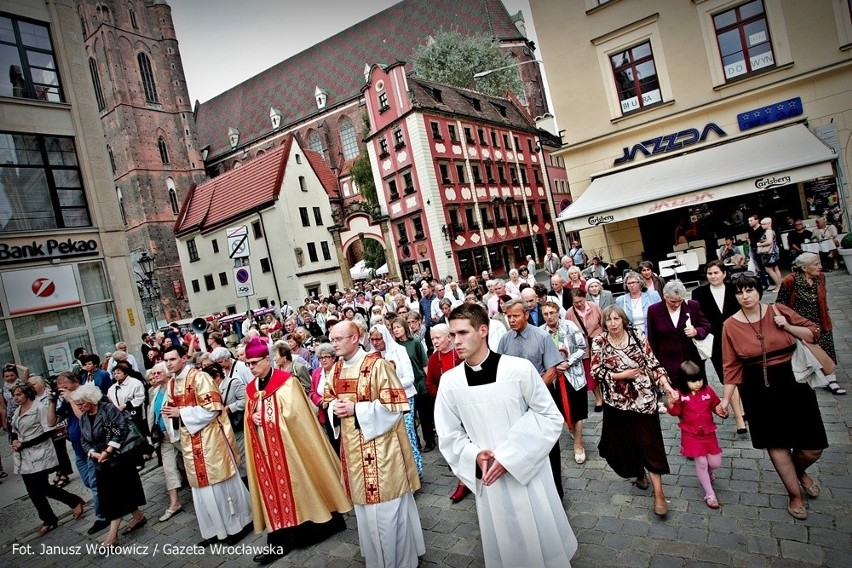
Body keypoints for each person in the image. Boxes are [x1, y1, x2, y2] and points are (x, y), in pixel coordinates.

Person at [434, 303, 577, 568]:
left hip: (529, 472)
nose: (456, 341)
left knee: (543, 544)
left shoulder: (518, 369)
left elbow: (549, 416)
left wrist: (510, 457)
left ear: (484, 330)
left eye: (463, 333)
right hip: (489, 478)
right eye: (452, 335)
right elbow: (448, 433)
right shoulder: (450, 382)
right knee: (507, 547)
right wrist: (474, 455)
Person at [719, 272, 827, 520]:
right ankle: (794, 495)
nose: (745, 296)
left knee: (813, 447)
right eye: (739, 292)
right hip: (758, 390)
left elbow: (814, 332)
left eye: (750, 290)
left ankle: (799, 470)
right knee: (777, 444)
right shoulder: (730, 326)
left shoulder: (778, 310)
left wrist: (787, 326)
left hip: (794, 382)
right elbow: (731, 367)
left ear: (759, 290)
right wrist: (725, 401)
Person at [324, 320, 425, 568]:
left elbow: (395, 406)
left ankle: (399, 562)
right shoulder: (335, 370)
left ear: (355, 337)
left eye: (338, 338)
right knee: (365, 511)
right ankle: (378, 560)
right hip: (354, 452)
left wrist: (356, 409)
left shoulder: (378, 365)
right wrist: (332, 408)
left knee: (388, 511)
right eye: (332, 338)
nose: (333, 343)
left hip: (382, 451)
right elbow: (327, 398)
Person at [243, 337, 351, 565]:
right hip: (266, 452)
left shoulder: (286, 382)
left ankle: (318, 527)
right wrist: (252, 419)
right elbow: (248, 417)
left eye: (254, 363)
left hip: (291, 449)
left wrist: (264, 418)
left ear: (266, 359)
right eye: (248, 364)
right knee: (274, 493)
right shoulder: (251, 388)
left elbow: (296, 417)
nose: (251, 367)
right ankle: (279, 540)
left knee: (301, 485)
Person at [161, 345, 253, 547]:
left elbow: (213, 408)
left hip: (210, 440)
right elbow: (170, 411)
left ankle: (240, 524)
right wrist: (172, 416)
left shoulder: (200, 378)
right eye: (166, 360)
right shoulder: (170, 384)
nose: (169, 363)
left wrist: (181, 413)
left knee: (221, 485)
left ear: (184, 358)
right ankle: (214, 530)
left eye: (173, 359)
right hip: (189, 441)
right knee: (201, 491)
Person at [591, 305, 678, 517]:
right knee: (623, 444)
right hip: (616, 403)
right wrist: (623, 375)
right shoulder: (599, 341)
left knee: (651, 444)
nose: (612, 323)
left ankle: (659, 493)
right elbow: (596, 371)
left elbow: (653, 363)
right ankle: (638, 472)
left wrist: (667, 386)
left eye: (616, 319)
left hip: (643, 400)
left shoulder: (637, 335)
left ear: (623, 320)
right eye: (608, 320)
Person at [496, 298, 564, 499]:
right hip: (514, 401)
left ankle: (556, 491)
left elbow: (552, 371)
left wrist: (532, 394)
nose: (512, 320)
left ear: (526, 315)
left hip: (541, 398)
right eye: (509, 316)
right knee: (522, 444)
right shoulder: (505, 340)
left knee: (548, 445)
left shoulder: (542, 337)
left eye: (516, 315)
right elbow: (500, 369)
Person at [70, 383, 146, 547]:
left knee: (114, 497)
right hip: (100, 462)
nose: (79, 407)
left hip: (118, 459)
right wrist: (92, 453)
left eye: (81, 403)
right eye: (77, 404)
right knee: (118, 494)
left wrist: (108, 450)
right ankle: (138, 516)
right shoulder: (83, 417)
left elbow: (121, 429)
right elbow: (83, 439)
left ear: (91, 400)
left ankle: (112, 536)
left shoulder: (107, 409)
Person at [10, 383, 84, 538]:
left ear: (28, 394)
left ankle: (72, 502)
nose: (15, 398)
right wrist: (15, 440)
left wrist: (25, 444)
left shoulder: (39, 408)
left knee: (41, 487)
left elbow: (48, 431)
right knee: (33, 491)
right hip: (24, 456)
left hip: (39, 452)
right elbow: (14, 429)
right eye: (14, 395)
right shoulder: (18, 411)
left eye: (18, 395)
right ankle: (49, 518)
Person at [776, 253, 845, 395]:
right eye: (816, 264)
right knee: (810, 350)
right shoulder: (790, 281)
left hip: (821, 320)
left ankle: (832, 380)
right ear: (804, 268)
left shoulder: (820, 278)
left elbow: (823, 298)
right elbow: (780, 304)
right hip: (801, 324)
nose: (820, 266)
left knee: (827, 349)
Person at [691, 261, 747, 432]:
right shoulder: (699, 293)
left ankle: (745, 409)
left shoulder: (734, 289)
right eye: (710, 274)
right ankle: (740, 414)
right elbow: (697, 318)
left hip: (738, 337)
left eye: (716, 273)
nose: (713, 276)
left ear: (724, 273)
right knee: (726, 376)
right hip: (715, 341)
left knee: (744, 374)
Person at [55, 371, 110, 535]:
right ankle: (111, 503)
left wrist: (70, 399)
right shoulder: (67, 399)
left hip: (93, 448)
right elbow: (54, 420)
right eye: (59, 388)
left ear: (75, 382)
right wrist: (53, 401)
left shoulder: (85, 395)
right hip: (79, 449)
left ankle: (102, 516)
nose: (62, 390)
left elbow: (83, 418)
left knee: (94, 484)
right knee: (89, 482)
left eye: (65, 386)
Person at [667, 361, 725, 509]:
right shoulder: (680, 394)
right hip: (691, 434)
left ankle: (709, 473)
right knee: (701, 462)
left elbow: (715, 405)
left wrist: (721, 410)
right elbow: (675, 412)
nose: (698, 383)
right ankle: (709, 494)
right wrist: (671, 404)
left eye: (699, 379)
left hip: (708, 433)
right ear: (684, 381)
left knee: (715, 463)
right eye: (693, 381)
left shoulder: (708, 391)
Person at [369, 323, 421, 477]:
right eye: (372, 339)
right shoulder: (370, 356)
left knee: (408, 434)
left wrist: (390, 386)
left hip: (404, 397)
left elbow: (409, 378)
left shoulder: (399, 350)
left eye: (378, 339)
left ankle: (416, 472)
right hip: (383, 403)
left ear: (385, 337)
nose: (375, 342)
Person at [541, 300, 588, 464]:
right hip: (554, 380)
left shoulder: (569, 326)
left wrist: (568, 362)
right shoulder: (541, 332)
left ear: (557, 312)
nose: (549, 317)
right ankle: (571, 428)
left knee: (578, 412)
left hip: (573, 376)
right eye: (545, 314)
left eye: (551, 313)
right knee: (561, 410)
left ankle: (578, 445)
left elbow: (582, 348)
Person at [425, 323, 467, 501]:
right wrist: (443, 398)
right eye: (432, 338)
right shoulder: (434, 359)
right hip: (446, 408)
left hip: (466, 405)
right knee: (454, 443)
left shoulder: (460, 354)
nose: (434, 341)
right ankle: (462, 481)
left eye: (438, 338)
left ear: (449, 337)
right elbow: (430, 384)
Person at [646, 280, 713, 385]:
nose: (677, 304)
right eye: (672, 301)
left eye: (680, 301)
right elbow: (652, 338)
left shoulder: (692, 305)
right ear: (665, 296)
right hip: (668, 361)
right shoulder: (654, 310)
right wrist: (655, 364)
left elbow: (707, 326)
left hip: (692, 361)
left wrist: (696, 331)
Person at [146, 362, 184, 522]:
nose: (154, 376)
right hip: (162, 436)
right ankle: (174, 503)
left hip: (178, 433)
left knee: (191, 462)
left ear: (168, 373)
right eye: (153, 374)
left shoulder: (176, 387)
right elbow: (152, 413)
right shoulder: (154, 390)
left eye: (158, 373)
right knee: (169, 468)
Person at [565, 288, 605, 411]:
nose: (579, 304)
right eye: (576, 302)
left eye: (581, 301)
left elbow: (603, 322)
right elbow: (568, 332)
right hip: (584, 347)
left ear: (585, 297)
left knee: (604, 369)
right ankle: (599, 399)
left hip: (599, 342)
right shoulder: (570, 313)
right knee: (591, 373)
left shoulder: (594, 307)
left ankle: (609, 394)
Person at [309, 343, 339, 453]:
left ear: (333, 358)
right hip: (323, 411)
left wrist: (328, 399)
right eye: (321, 358)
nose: (323, 360)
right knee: (330, 442)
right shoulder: (317, 372)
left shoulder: (339, 371)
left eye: (326, 357)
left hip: (337, 412)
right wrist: (319, 400)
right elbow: (312, 391)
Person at [756, 217, 782, 290]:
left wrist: (759, 244)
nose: (762, 225)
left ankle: (778, 285)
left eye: (764, 224)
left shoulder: (768, 231)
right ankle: (780, 284)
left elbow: (769, 242)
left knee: (769, 270)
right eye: (761, 224)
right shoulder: (772, 231)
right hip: (774, 251)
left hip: (769, 253)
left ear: (769, 224)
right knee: (776, 268)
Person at [746, 214, 771, 288]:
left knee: (766, 267)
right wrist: (750, 251)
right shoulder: (750, 229)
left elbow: (767, 239)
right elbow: (750, 241)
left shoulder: (762, 228)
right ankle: (764, 283)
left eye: (751, 220)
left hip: (762, 249)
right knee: (759, 268)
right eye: (748, 221)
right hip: (754, 250)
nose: (749, 222)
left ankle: (771, 283)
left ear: (757, 220)